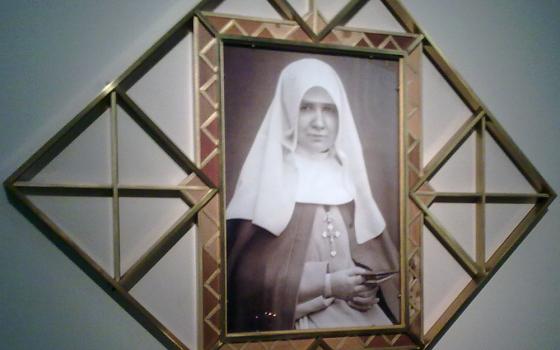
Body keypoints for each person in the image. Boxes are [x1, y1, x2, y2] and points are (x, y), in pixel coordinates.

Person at [226, 58, 399, 332]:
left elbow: (383, 270)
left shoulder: (350, 183)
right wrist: (328, 283)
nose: (319, 122)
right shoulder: (264, 185)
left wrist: (368, 289)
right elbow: (244, 284)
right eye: (306, 107)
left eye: (329, 109)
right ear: (287, 110)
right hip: (295, 325)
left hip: (362, 322)